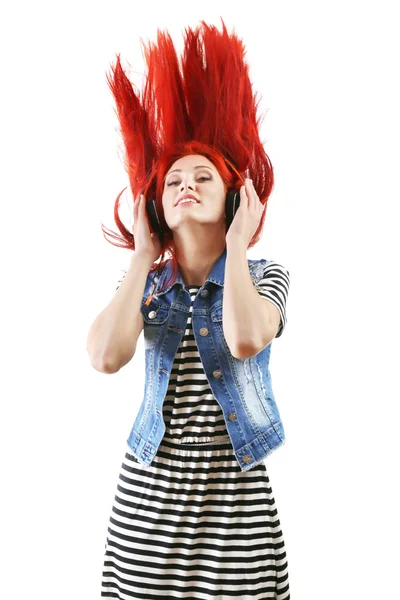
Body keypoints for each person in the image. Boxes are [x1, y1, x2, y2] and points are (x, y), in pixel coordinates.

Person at [87, 19, 291, 599]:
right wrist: (143, 255)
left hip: (236, 503)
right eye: (173, 177)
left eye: (204, 175)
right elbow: (104, 357)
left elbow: (247, 339)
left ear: (236, 194)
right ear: (157, 202)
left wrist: (236, 244)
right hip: (149, 499)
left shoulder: (263, 276)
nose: (185, 183)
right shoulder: (147, 287)